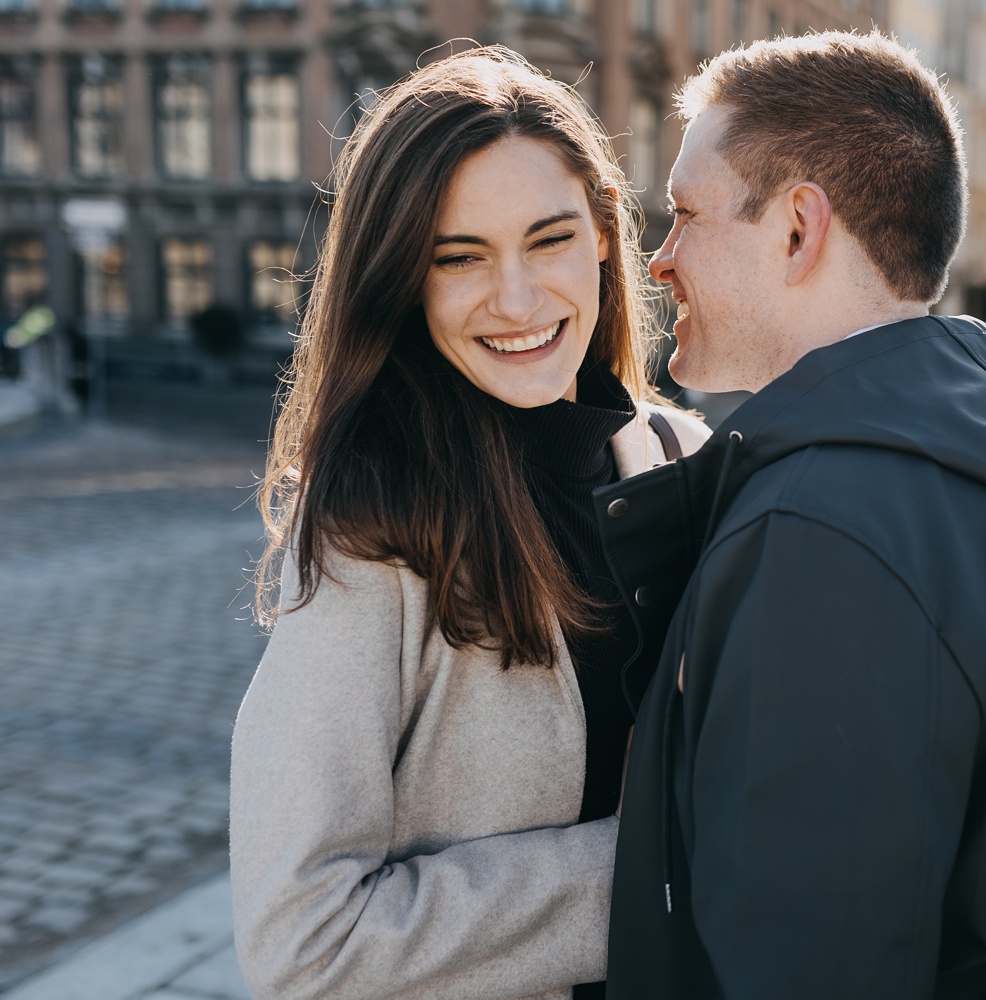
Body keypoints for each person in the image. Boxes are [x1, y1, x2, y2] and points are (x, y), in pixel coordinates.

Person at [595, 31, 986, 999]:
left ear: (796, 229)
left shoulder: (828, 535)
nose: (659, 258)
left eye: (685, 213)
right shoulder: (965, 462)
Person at [228, 47, 707, 1000]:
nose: (519, 300)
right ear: (405, 277)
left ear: (605, 236)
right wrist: (659, 868)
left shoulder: (684, 462)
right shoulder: (374, 523)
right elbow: (301, 940)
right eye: (460, 257)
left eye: (550, 239)